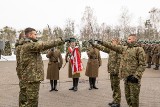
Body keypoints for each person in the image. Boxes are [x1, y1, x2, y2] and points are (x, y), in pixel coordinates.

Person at [19, 27, 65, 107]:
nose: (36, 36)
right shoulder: (28, 45)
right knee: (32, 102)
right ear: (30, 35)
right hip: (32, 78)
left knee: (29, 101)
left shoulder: (28, 44)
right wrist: (60, 40)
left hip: (31, 78)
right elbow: (43, 45)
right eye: (35, 34)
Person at [96, 34, 146, 107]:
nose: (127, 40)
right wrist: (102, 42)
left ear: (134, 40)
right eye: (127, 39)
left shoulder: (139, 49)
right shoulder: (125, 48)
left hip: (134, 78)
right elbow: (113, 46)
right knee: (128, 97)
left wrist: (137, 76)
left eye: (129, 39)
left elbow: (142, 64)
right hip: (127, 78)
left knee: (134, 99)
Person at [89, 38, 121, 107]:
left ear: (117, 42)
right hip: (111, 71)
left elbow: (119, 61)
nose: (111, 42)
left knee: (116, 86)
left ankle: (117, 102)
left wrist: (116, 70)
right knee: (113, 86)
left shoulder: (119, 49)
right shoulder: (111, 49)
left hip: (116, 72)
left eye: (113, 41)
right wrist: (93, 44)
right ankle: (115, 100)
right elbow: (102, 48)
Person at [15, 32, 27, 107]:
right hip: (22, 70)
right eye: (25, 37)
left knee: (24, 90)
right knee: (23, 90)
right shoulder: (20, 46)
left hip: (22, 70)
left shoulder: (20, 46)